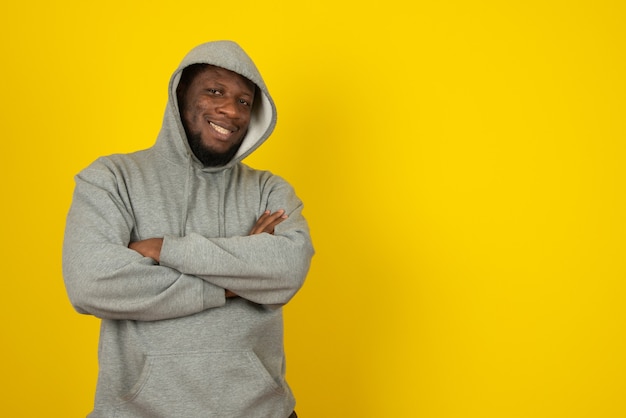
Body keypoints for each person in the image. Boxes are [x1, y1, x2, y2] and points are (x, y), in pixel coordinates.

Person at [62, 40, 313, 418]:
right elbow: (91, 283)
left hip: (262, 411)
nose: (231, 110)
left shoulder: (269, 190)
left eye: (245, 102)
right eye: (215, 91)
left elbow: (288, 270)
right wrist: (238, 277)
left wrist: (164, 249)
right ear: (180, 96)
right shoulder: (111, 179)